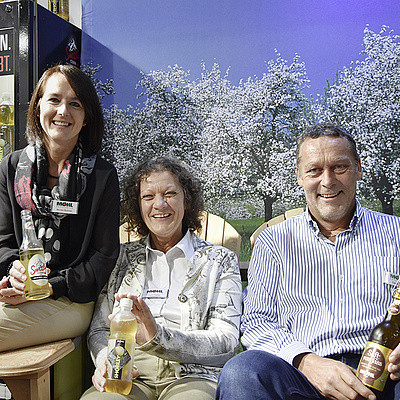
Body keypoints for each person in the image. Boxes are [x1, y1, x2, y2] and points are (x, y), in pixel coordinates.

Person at [216, 122, 400, 400]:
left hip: (385, 374)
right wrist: (306, 361)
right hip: (302, 376)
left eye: (340, 167)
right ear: (300, 176)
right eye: (315, 170)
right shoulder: (274, 241)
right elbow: (256, 321)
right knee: (242, 371)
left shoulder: (396, 234)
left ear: (358, 169)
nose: (328, 181)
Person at [80, 156, 242, 400]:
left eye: (170, 194)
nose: (159, 204)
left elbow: (226, 341)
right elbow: (101, 328)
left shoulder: (219, 261)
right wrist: (104, 359)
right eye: (148, 197)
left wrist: (158, 337)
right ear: (138, 205)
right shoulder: (120, 258)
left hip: (192, 376)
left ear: (186, 200)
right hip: (127, 370)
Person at [0, 64, 120, 351]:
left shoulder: (102, 176)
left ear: (86, 117)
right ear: (38, 106)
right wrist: (14, 273)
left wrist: (50, 286)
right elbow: (3, 241)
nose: (63, 111)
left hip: (71, 299)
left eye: (75, 104)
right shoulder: (11, 168)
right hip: (17, 292)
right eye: (54, 99)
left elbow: (103, 257)